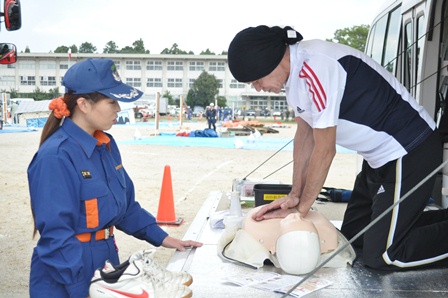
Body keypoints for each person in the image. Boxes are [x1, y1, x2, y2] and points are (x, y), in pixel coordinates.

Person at [227, 25, 448, 271]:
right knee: (355, 240)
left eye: (257, 81)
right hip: (378, 158)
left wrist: (302, 209)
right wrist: (294, 196)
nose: (258, 88)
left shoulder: (316, 66)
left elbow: (324, 149)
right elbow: (305, 138)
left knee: (384, 256)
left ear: (273, 61)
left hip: (410, 150)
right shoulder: (294, 81)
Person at [27, 58, 202, 297]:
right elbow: (57, 236)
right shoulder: (56, 156)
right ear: (84, 104)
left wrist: (164, 239)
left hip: (105, 260)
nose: (118, 109)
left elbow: (125, 209)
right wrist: (86, 287)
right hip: (68, 270)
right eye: (112, 101)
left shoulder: (106, 145)